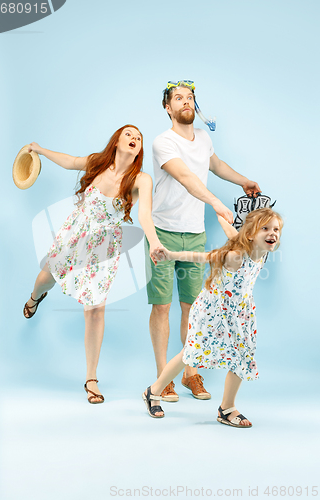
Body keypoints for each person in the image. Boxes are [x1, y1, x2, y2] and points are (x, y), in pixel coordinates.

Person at [23, 125, 163, 404]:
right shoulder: (97, 163)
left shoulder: (141, 180)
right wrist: (39, 150)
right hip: (74, 235)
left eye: (139, 138)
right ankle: (34, 298)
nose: (134, 139)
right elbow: (68, 161)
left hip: (103, 247)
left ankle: (91, 378)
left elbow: (145, 214)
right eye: (129, 135)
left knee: (95, 309)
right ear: (117, 140)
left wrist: (155, 241)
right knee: (44, 278)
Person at [146, 80, 262, 402]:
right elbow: (186, 177)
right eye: (178, 98)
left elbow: (216, 165)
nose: (185, 102)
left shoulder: (204, 139)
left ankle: (189, 374)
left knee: (192, 307)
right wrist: (215, 202)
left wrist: (243, 181)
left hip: (195, 233)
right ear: (168, 107)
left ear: (195, 107)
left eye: (190, 98)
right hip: (164, 231)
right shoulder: (162, 142)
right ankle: (162, 378)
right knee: (162, 305)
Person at [142, 207, 283, 426]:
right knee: (191, 353)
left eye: (275, 229)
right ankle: (154, 391)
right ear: (251, 234)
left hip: (240, 313)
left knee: (242, 356)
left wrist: (221, 218)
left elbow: (232, 234)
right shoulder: (236, 256)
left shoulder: (259, 250)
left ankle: (227, 408)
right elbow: (203, 256)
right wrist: (170, 255)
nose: (272, 233)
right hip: (212, 311)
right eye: (265, 228)